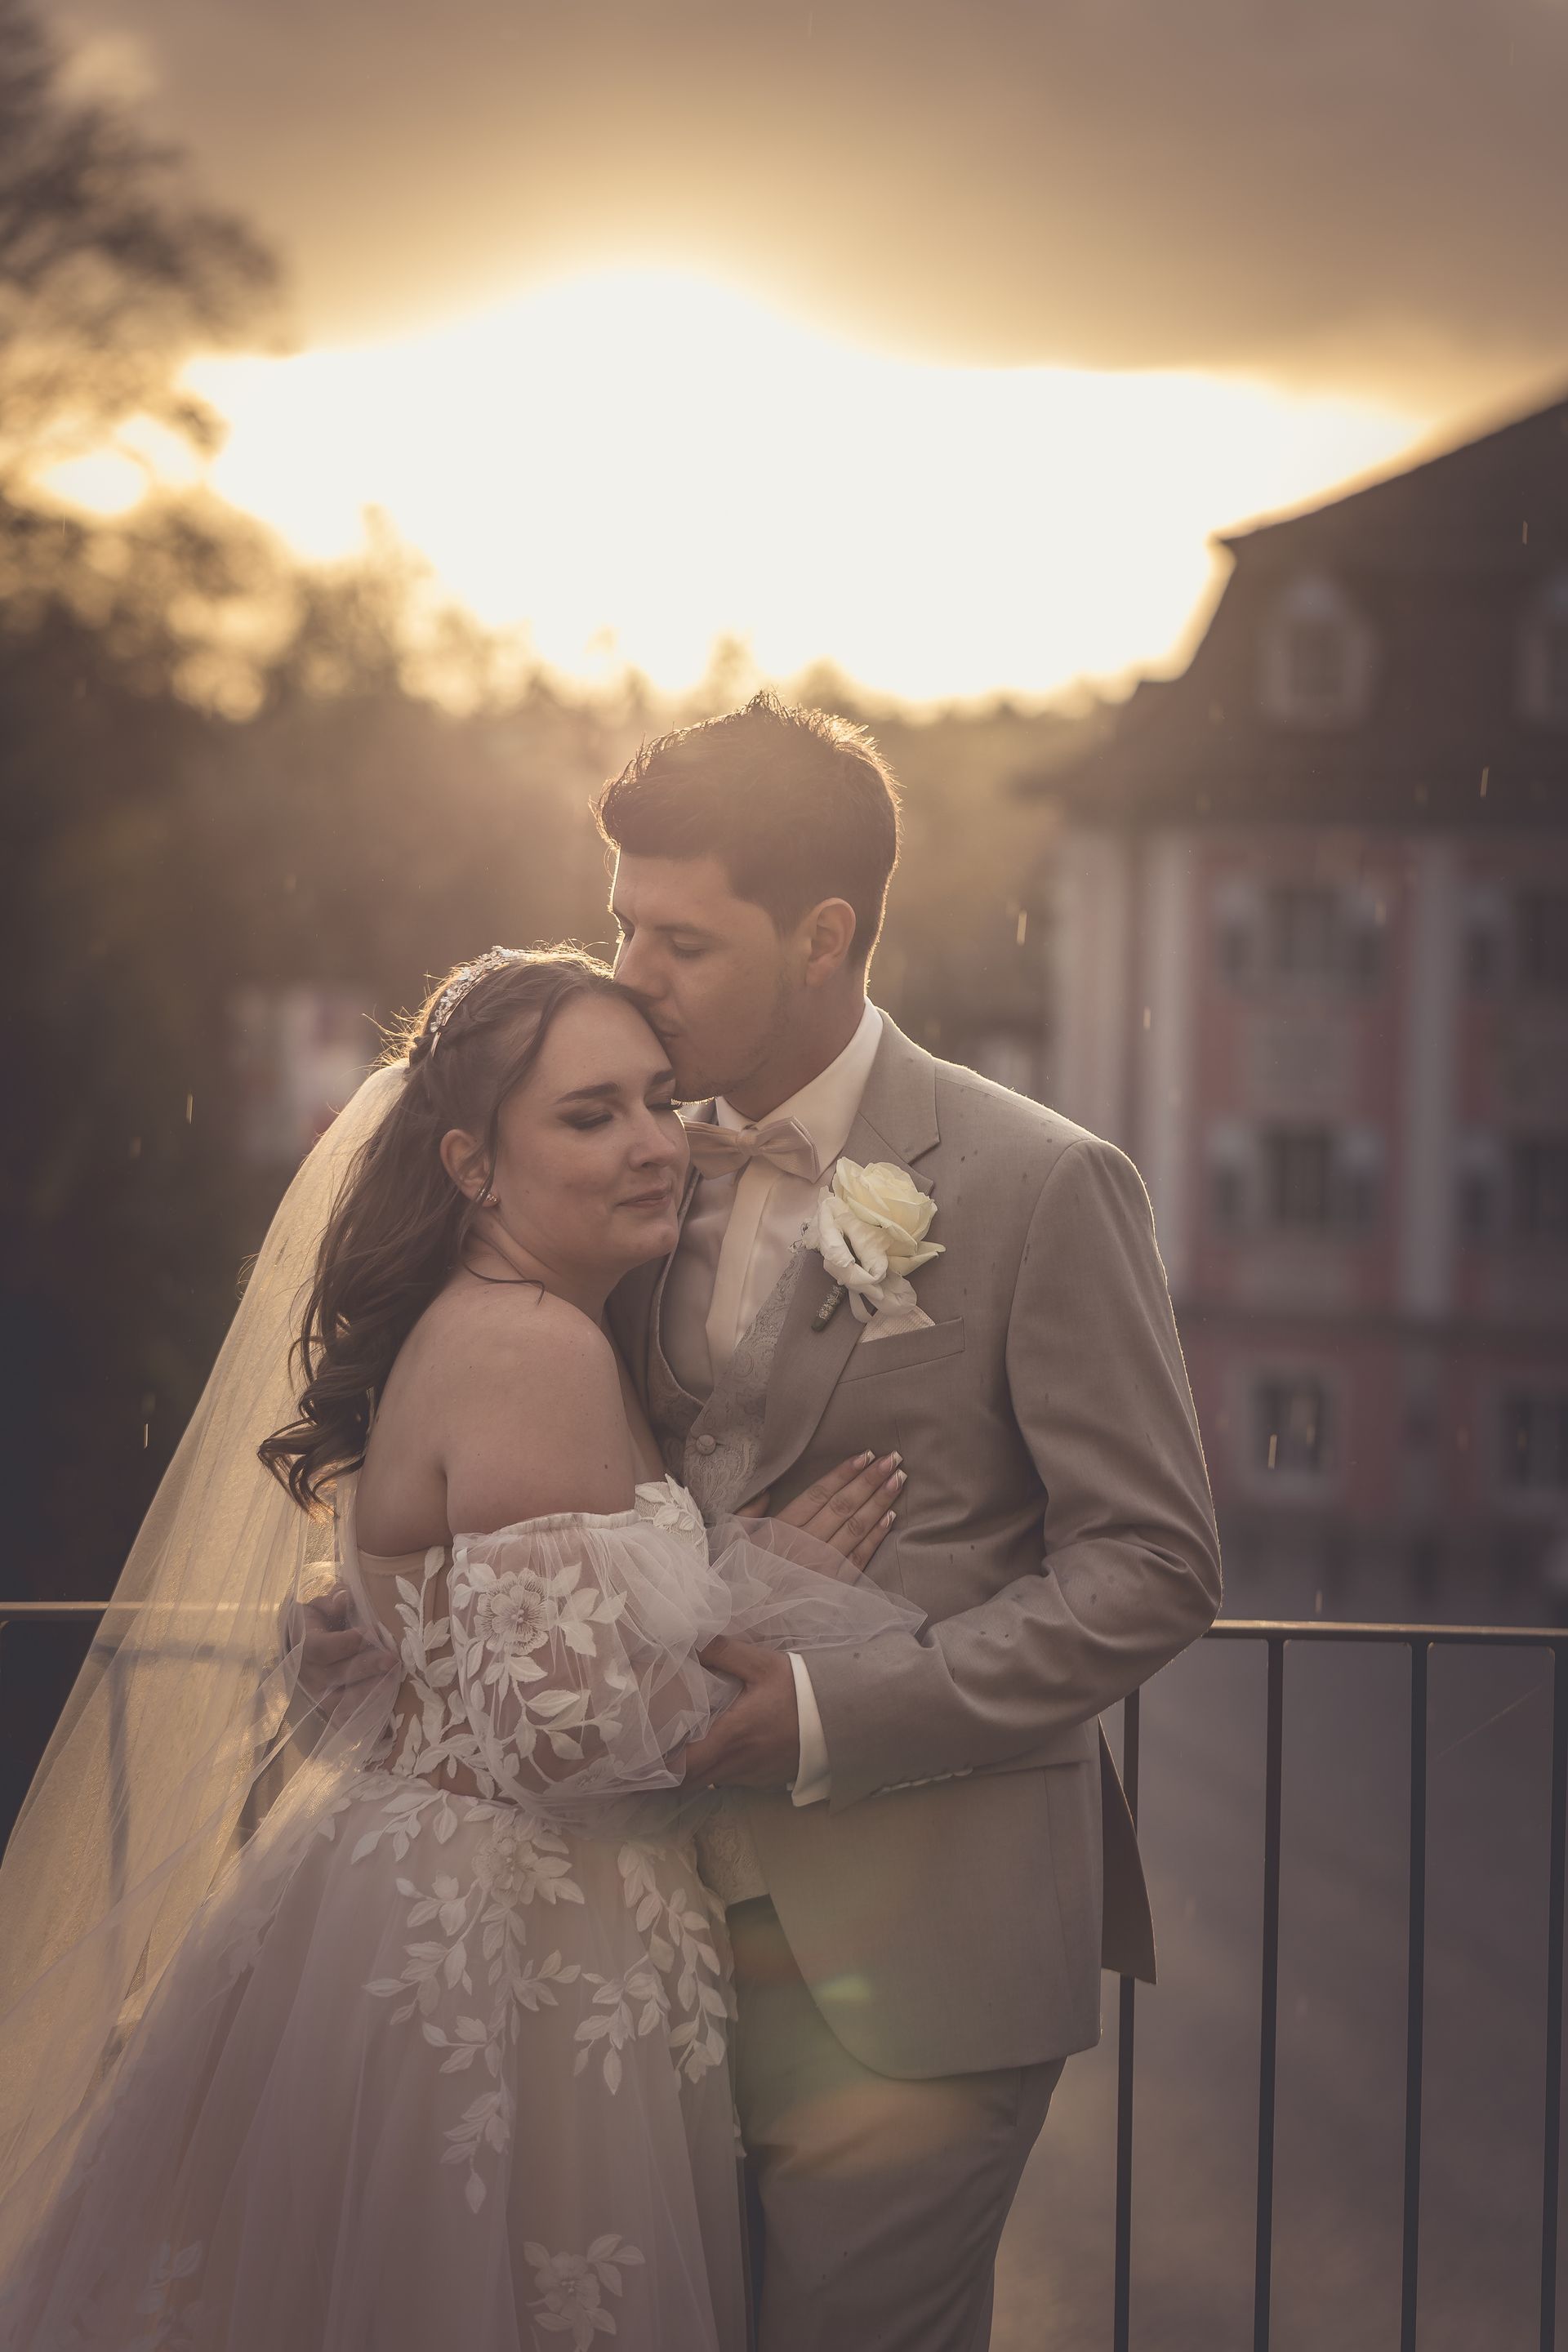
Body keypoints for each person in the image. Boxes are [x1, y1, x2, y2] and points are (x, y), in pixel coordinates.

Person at [0, 946, 920, 2351]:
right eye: (589, 1114)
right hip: (504, 1954)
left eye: (660, 1101)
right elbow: (565, 1735)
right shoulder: (530, 1347)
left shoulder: (523, 1327)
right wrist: (775, 1587)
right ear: (470, 1165)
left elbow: (447, 1672)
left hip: (455, 1906)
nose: (652, 1145)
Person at [592, 691, 1224, 2352]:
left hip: (921, 1962)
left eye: (683, 942)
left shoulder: (1038, 1183)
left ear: (825, 936)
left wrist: (825, 1709)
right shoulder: (624, 1163)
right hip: (630, 1935)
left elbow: (1155, 1566)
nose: (631, 979)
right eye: (621, 929)